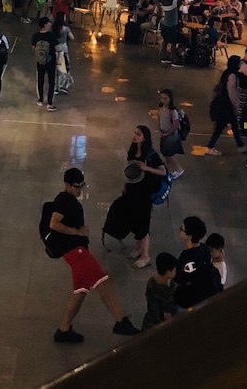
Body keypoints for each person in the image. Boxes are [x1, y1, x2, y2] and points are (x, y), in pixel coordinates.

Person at [46, 168, 141, 343]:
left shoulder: (69, 199)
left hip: (77, 251)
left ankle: (64, 330)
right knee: (103, 280)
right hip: (76, 252)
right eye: (76, 187)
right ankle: (120, 320)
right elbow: (54, 224)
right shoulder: (64, 200)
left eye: (81, 186)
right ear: (67, 185)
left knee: (81, 290)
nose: (80, 190)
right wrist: (77, 232)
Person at [122, 126, 167, 270]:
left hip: (144, 193)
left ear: (145, 137)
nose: (135, 136)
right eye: (135, 133)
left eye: (138, 134)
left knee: (143, 223)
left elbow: (162, 171)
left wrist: (147, 168)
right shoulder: (132, 150)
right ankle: (138, 248)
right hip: (132, 190)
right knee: (134, 220)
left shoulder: (151, 154)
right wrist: (125, 186)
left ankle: (145, 256)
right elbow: (129, 170)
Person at [173, 215, 221, 312]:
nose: (180, 229)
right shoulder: (204, 248)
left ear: (189, 236)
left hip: (186, 299)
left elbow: (180, 278)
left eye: (182, 229)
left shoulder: (188, 258)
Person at [206, 56, 246, 155]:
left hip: (223, 104)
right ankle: (210, 147)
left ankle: (240, 145)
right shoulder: (232, 76)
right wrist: (236, 104)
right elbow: (231, 91)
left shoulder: (227, 73)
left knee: (232, 124)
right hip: (225, 105)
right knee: (221, 127)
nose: (241, 64)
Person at [142, 253, 179, 330]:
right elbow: (167, 316)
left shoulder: (152, 281)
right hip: (158, 326)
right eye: (175, 269)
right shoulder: (166, 294)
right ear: (168, 272)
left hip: (148, 321)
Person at [155, 89, 185, 178]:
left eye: (165, 98)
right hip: (164, 133)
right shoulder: (160, 108)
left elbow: (175, 124)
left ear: (170, 99)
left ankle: (179, 168)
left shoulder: (172, 111)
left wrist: (168, 133)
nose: (163, 100)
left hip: (170, 135)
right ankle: (167, 169)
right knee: (165, 152)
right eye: (162, 98)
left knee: (168, 153)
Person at [32, 16, 58, 111]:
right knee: (51, 81)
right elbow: (56, 48)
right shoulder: (52, 35)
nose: (50, 24)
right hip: (51, 61)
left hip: (40, 61)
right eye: (49, 23)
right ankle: (50, 103)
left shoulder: (35, 35)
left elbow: (34, 48)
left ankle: (40, 99)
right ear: (45, 25)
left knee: (40, 80)